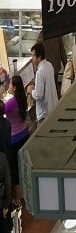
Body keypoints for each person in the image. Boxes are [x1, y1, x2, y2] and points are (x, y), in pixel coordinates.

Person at [3, 75, 30, 203]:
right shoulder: (22, 98)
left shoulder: (10, 103)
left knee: (14, 171)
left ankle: (18, 200)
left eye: (10, 85)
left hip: (14, 140)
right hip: (25, 134)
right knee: (24, 165)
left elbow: (2, 108)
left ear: (14, 87)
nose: (8, 86)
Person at [28, 43, 58, 126]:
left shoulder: (40, 72)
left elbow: (38, 95)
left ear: (39, 56)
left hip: (44, 112)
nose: (32, 58)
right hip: (52, 106)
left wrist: (31, 91)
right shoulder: (49, 65)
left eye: (33, 56)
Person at [36, 31, 67, 97]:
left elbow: (37, 52)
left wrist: (37, 66)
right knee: (54, 86)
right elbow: (62, 51)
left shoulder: (41, 35)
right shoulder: (56, 34)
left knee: (46, 88)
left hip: (45, 67)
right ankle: (55, 102)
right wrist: (65, 65)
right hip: (54, 66)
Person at [0, 150, 11, 233]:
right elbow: (7, 183)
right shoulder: (2, 158)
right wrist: (6, 205)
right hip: (1, 202)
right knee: (5, 232)